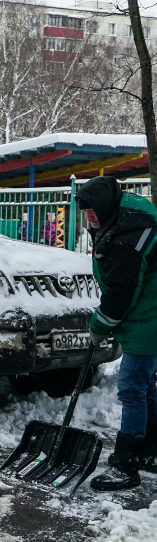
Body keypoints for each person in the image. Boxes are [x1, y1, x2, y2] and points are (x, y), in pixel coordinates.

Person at [76, 176, 157, 491]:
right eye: (85, 211)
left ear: (106, 205)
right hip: (147, 314)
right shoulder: (124, 215)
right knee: (145, 386)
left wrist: (99, 326)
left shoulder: (128, 235)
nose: (89, 217)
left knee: (133, 387)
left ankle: (126, 465)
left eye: (93, 210)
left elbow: (122, 293)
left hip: (148, 318)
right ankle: (149, 450)